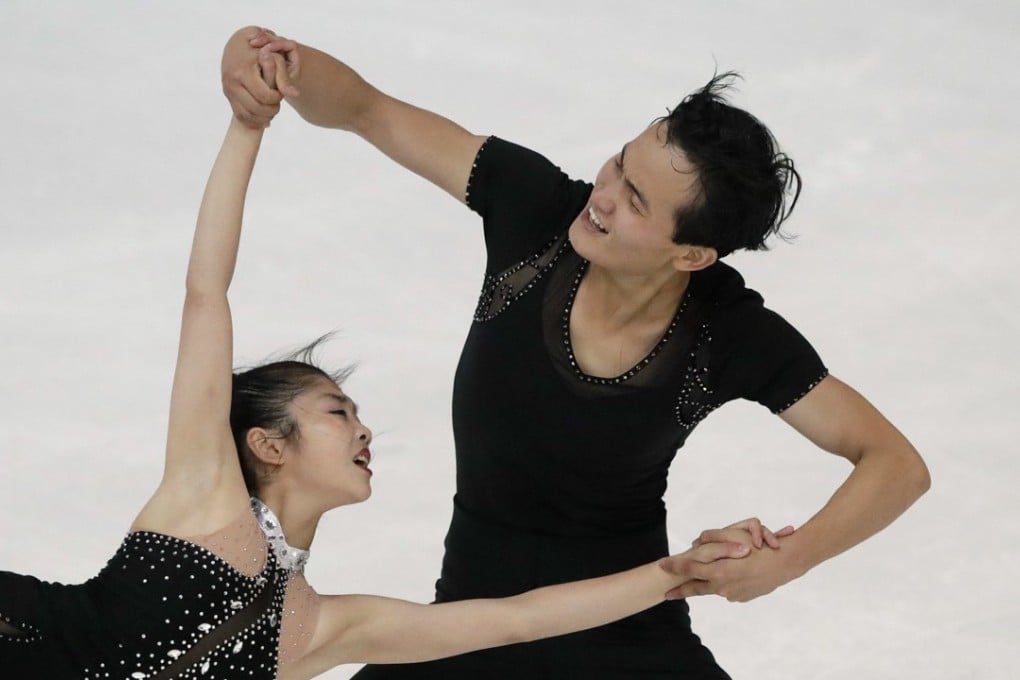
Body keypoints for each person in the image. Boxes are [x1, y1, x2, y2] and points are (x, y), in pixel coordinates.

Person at [0, 52, 758, 680]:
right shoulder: (203, 498)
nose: (365, 430)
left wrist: (676, 572)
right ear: (266, 442)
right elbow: (207, 291)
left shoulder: (317, 628)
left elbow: (516, 619)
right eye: (336, 412)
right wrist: (246, 128)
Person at [221, 26, 931, 679]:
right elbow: (367, 109)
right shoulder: (533, 214)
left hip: (631, 637)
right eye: (620, 165)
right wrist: (280, 66)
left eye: (637, 202)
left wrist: (790, 560)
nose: (604, 196)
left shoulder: (728, 332)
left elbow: (896, 464)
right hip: (467, 629)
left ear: (692, 254)